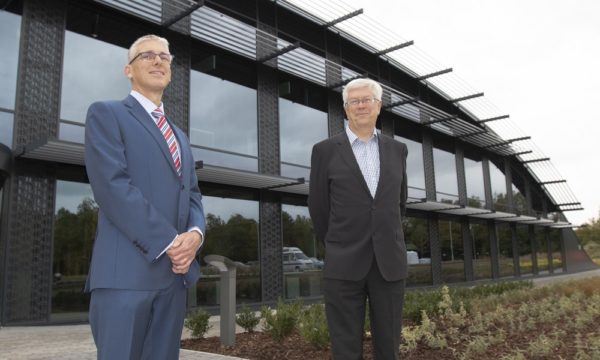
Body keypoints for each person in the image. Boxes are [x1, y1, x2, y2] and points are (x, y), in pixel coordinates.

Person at [84, 34, 205, 360]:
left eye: (165, 57)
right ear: (128, 70)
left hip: (173, 280)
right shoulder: (106, 114)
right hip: (125, 279)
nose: (158, 61)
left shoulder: (179, 135)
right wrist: (171, 242)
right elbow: (113, 187)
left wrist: (195, 235)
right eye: (147, 55)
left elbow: (192, 193)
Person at [308, 78, 408, 360]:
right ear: (345, 108)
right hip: (344, 264)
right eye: (355, 101)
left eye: (367, 100)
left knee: (389, 348)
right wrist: (339, 243)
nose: (361, 105)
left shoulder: (398, 150)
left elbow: (398, 205)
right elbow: (318, 207)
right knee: (345, 349)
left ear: (379, 106)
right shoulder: (324, 151)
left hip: (389, 264)